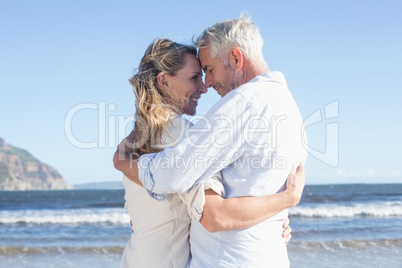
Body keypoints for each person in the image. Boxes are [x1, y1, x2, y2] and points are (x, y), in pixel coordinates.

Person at [117, 13, 307, 267]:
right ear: (164, 81)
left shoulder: (140, 134)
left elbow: (207, 210)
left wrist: (122, 161)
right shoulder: (289, 107)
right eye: (196, 76)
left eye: (207, 70)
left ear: (236, 58)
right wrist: (281, 206)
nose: (206, 84)